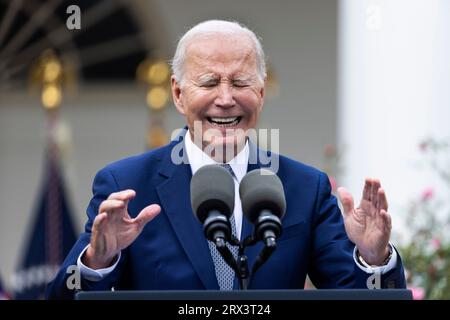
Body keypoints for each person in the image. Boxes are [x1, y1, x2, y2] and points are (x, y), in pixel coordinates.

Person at [46, 20, 406, 299]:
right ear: (178, 94)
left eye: (240, 83)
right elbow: (62, 298)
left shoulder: (304, 188)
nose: (225, 98)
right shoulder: (126, 185)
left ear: (261, 93)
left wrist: (374, 258)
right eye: (208, 82)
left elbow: (357, 296)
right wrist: (98, 261)